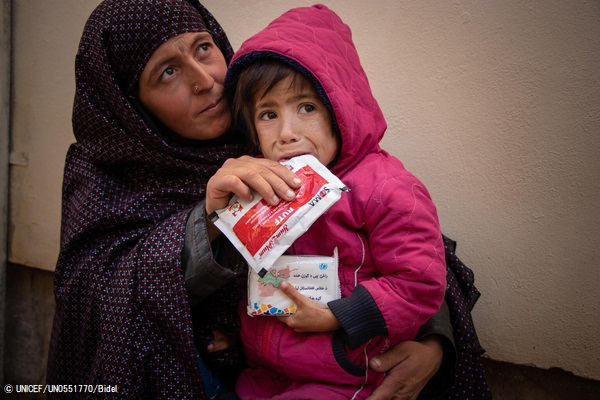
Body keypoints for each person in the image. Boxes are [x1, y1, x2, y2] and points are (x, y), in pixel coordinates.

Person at [47, 0, 470, 399]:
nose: (204, 79)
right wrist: (210, 218)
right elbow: (97, 299)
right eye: (167, 73)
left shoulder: (274, 117)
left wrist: (433, 338)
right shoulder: (105, 173)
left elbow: (408, 250)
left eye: (203, 48)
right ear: (129, 106)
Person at [222, 5, 446, 399]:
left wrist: (337, 317)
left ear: (341, 108)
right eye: (268, 114)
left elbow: (419, 282)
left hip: (344, 377)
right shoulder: (256, 181)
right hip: (262, 372)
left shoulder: (387, 187)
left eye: (306, 108)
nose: (287, 133)